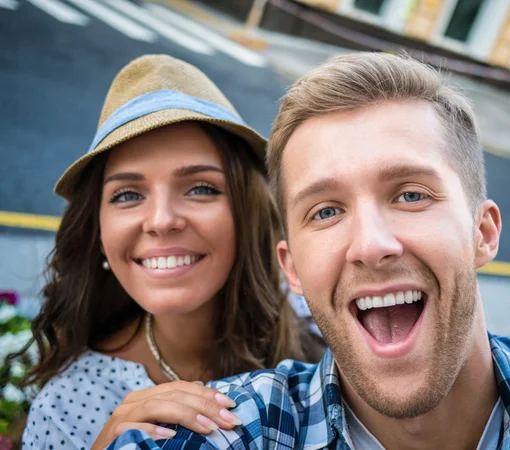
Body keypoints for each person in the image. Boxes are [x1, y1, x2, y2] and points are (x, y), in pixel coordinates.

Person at [108, 52, 510, 450]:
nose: (371, 246)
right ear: (292, 268)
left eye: (410, 195)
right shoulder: (231, 432)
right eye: (325, 211)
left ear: (483, 233)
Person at [15, 54, 323, 450]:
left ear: (249, 215)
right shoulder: (65, 411)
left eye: (200, 188)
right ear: (98, 232)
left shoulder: (322, 328)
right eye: (128, 194)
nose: (161, 221)